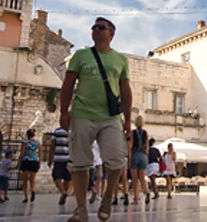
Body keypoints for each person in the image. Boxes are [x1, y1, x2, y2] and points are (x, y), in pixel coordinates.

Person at [61, 17, 132, 222]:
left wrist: (127, 120)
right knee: (80, 163)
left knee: (117, 160)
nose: (95, 30)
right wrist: (64, 112)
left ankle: (108, 196)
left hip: (110, 117)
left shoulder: (120, 60)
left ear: (111, 33)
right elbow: (68, 84)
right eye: (93, 27)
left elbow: (126, 90)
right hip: (82, 114)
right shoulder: (81, 56)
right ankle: (81, 209)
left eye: (101, 27)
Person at [128, 116, 150, 204]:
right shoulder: (146, 133)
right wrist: (146, 157)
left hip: (135, 154)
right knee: (142, 178)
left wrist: (129, 158)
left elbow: (130, 145)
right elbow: (147, 147)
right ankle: (146, 191)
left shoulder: (132, 133)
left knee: (134, 179)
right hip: (143, 156)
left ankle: (136, 198)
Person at [50, 127, 72, 205]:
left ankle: (63, 193)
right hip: (66, 158)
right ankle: (64, 193)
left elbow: (52, 146)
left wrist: (50, 159)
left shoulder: (57, 131)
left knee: (58, 177)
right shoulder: (71, 131)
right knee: (65, 178)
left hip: (60, 158)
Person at [18, 129, 40, 203]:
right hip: (35, 161)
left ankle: (26, 197)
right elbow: (40, 153)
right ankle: (33, 191)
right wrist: (39, 162)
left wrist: (19, 162)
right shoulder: (38, 143)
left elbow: (22, 152)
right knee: (32, 179)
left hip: (26, 160)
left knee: (25, 180)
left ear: (27, 135)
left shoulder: (25, 143)